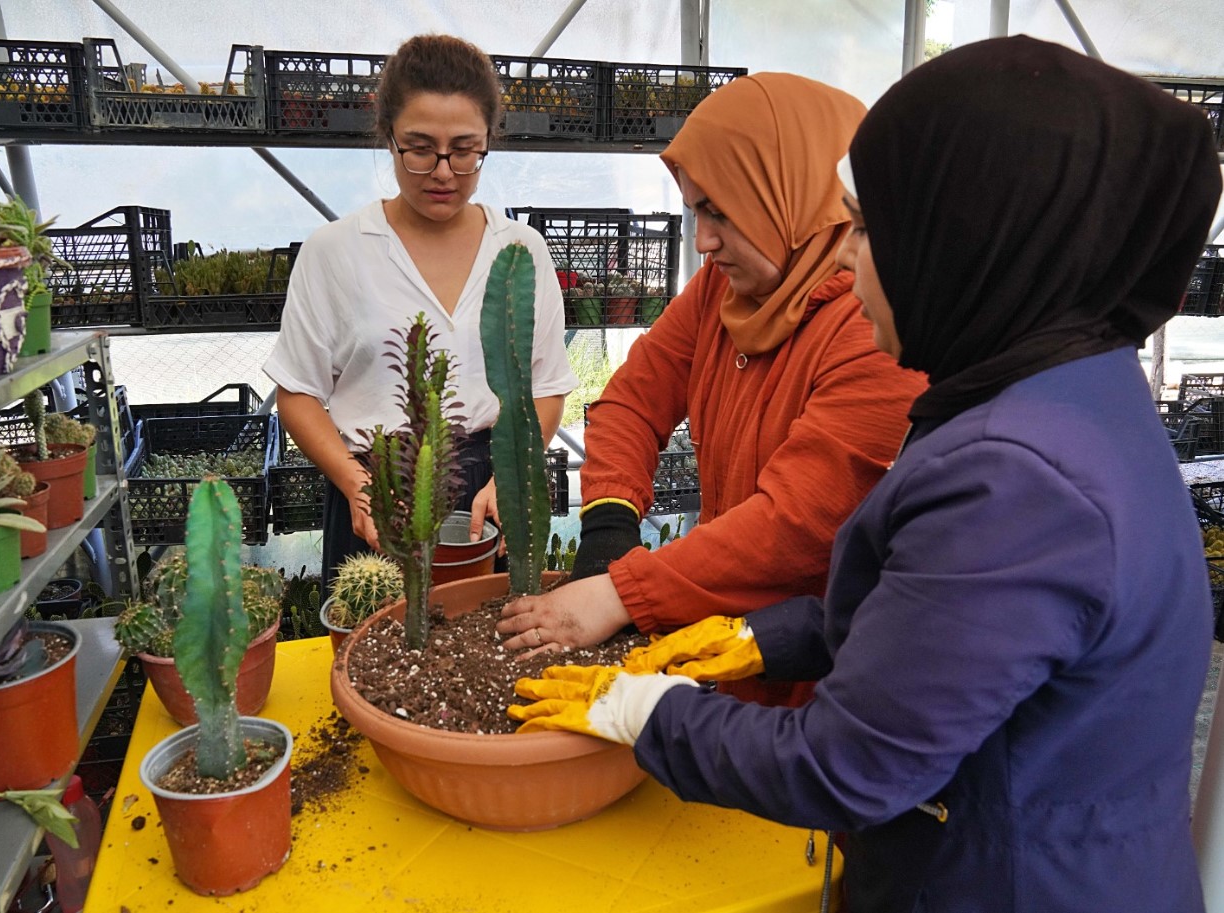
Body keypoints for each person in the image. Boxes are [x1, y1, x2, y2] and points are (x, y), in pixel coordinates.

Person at [507, 36, 1222, 912]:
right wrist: (759, 638)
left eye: (871, 226)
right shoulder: (1068, 385)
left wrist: (643, 711)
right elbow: (937, 618)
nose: (847, 257)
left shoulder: (1017, 480)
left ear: (963, 237)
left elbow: (849, 764)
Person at [497, 71, 928, 707]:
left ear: (792, 195)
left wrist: (623, 594)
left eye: (720, 212)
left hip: (822, 681)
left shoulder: (874, 327)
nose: (702, 240)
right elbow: (632, 401)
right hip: (723, 646)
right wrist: (609, 528)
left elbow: (795, 525)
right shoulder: (724, 291)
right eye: (696, 210)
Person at [264, 34, 576, 587]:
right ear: (388, 138)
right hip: (375, 484)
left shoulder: (520, 251)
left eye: (464, 148)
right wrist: (359, 487)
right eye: (420, 146)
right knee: (376, 654)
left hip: (489, 483)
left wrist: (510, 475)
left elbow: (547, 385)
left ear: (488, 141)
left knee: (488, 657)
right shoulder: (335, 249)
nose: (443, 171)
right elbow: (298, 392)